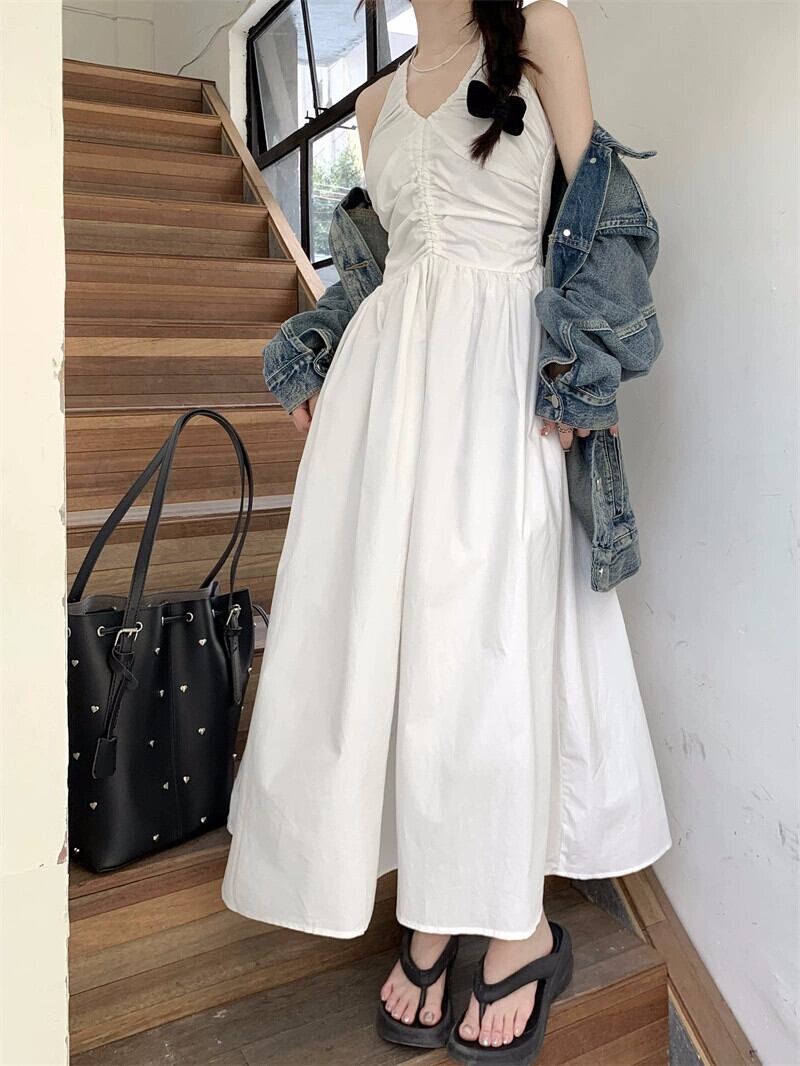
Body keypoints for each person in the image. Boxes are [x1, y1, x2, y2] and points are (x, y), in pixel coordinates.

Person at [221, 1, 672, 1061]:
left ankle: (517, 924)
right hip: (384, 409)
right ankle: (434, 907)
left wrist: (584, 369)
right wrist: (319, 355)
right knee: (405, 650)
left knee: (488, 645)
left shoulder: (540, 32)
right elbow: (373, 277)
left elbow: (605, 216)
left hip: (500, 384)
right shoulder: (373, 100)